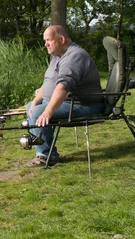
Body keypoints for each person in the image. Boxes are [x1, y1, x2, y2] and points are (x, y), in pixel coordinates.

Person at [25, 25, 105, 167]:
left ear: (61, 39)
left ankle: (47, 155)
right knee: (32, 106)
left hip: (85, 105)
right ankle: (42, 150)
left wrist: (47, 111)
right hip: (68, 102)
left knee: (38, 111)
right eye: (45, 41)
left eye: (49, 40)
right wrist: (37, 99)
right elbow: (49, 81)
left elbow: (62, 86)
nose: (46, 44)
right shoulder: (58, 55)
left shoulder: (75, 56)